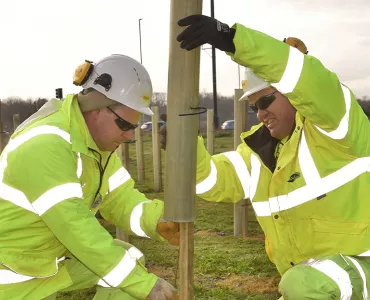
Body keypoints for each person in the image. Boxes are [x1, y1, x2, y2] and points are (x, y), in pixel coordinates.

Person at [166, 15, 370, 299]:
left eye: (265, 101)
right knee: (301, 284)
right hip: (310, 279)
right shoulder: (258, 150)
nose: (260, 113)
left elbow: (309, 80)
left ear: (293, 94)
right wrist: (185, 144)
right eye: (254, 107)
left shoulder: (336, 128)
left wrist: (233, 40)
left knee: (303, 285)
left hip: (360, 269)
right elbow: (211, 182)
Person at [0, 54, 179, 300]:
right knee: (130, 279)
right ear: (96, 108)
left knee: (129, 261)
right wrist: (145, 286)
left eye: (134, 128)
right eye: (125, 125)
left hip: (49, 262)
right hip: (12, 276)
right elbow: (74, 226)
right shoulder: (45, 144)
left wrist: (158, 221)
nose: (129, 137)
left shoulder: (95, 146)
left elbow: (121, 199)